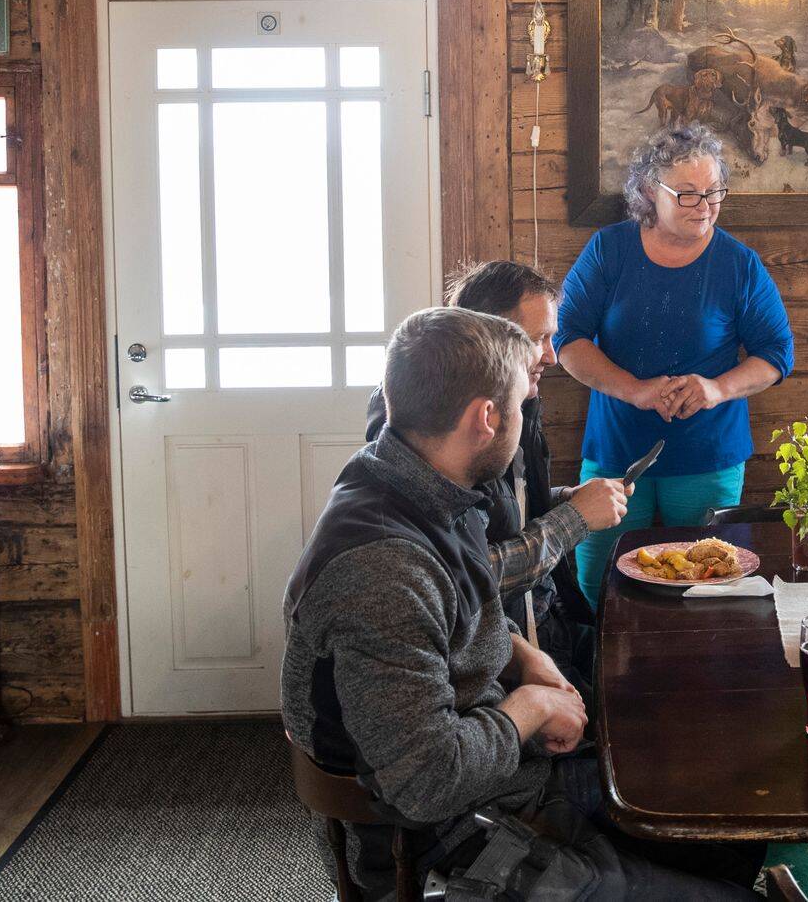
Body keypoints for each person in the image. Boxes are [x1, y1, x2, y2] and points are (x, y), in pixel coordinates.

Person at [282, 307, 763, 900]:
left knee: (734, 832)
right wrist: (531, 707)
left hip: (511, 782)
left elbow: (452, 614)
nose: (527, 410)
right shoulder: (383, 571)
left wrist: (521, 655)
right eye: (520, 402)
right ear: (486, 418)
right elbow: (426, 784)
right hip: (453, 844)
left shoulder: (418, 482)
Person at [554, 125, 794, 603]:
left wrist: (716, 389)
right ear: (650, 190)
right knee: (599, 588)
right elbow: (568, 340)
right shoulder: (608, 250)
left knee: (706, 589)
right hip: (616, 450)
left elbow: (775, 353)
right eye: (687, 194)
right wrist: (635, 390)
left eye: (713, 192)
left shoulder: (739, 264)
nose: (704, 206)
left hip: (708, 453)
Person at [364, 260, 626, 696]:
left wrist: (563, 498)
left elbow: (502, 508)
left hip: (540, 622)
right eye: (538, 339)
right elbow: (464, 577)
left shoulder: (516, 395)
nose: (551, 356)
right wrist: (575, 519)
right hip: (489, 661)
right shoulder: (429, 427)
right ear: (491, 335)